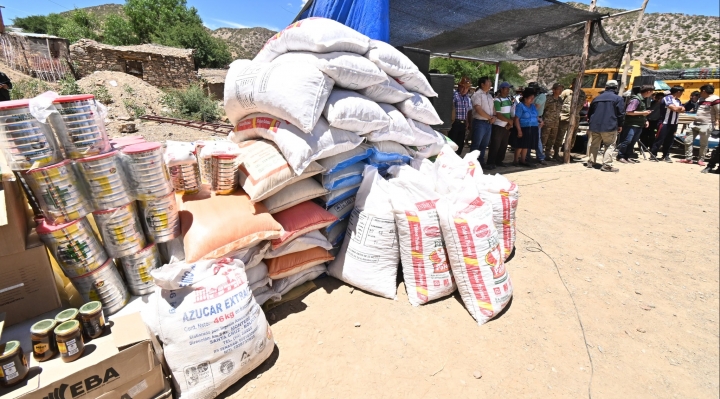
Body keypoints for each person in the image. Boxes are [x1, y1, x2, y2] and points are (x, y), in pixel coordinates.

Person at [586, 80, 625, 173]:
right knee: (609, 145)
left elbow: (590, 113)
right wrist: (620, 125)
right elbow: (621, 114)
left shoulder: (596, 98)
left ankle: (591, 162)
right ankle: (606, 165)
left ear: (606, 87)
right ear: (616, 88)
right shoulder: (618, 99)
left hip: (595, 126)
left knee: (594, 144)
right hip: (609, 126)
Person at [680, 84, 719, 165]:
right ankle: (688, 158)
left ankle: (701, 159)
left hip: (707, 124)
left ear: (704, 91)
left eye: (701, 91)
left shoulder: (715, 99)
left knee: (703, 143)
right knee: (687, 140)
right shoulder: (701, 99)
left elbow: (718, 112)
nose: (700, 93)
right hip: (695, 123)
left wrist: (717, 123)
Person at [616, 85, 655, 163]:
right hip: (631, 124)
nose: (652, 94)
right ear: (648, 92)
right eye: (652, 92)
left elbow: (641, 110)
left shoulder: (643, 99)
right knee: (627, 140)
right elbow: (629, 112)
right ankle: (620, 156)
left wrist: (645, 120)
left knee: (633, 141)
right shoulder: (636, 100)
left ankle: (627, 156)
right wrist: (643, 113)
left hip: (638, 124)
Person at [650, 86, 685, 162]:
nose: (681, 94)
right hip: (664, 123)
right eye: (681, 93)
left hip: (674, 123)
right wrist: (678, 108)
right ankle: (653, 155)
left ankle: (666, 155)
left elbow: (683, 109)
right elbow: (674, 109)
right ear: (678, 92)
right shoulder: (667, 98)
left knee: (670, 140)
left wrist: (677, 108)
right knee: (659, 139)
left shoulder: (678, 100)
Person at [510, 88, 542, 167]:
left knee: (526, 145)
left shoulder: (533, 106)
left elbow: (535, 115)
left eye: (533, 98)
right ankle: (515, 160)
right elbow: (517, 118)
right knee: (520, 145)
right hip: (524, 127)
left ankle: (523, 160)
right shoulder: (520, 106)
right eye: (530, 98)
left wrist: (540, 120)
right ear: (525, 98)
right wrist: (519, 130)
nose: (532, 100)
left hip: (533, 127)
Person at [486, 82, 515, 170]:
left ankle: (499, 161)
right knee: (495, 145)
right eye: (506, 89)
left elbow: (511, 112)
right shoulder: (497, 100)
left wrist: (510, 122)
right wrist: (509, 121)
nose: (508, 90)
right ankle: (491, 162)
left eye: (508, 89)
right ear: (501, 89)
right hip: (498, 125)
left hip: (506, 126)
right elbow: (498, 114)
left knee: (503, 145)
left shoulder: (509, 99)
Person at [557, 80, 587, 159]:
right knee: (560, 135)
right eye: (576, 83)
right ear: (572, 84)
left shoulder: (582, 94)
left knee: (572, 136)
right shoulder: (566, 92)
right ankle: (556, 152)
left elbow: (582, 105)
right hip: (564, 117)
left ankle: (567, 152)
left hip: (575, 118)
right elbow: (559, 102)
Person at [470, 76, 496, 165]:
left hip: (488, 123)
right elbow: (478, 109)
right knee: (476, 144)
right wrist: (490, 117)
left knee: (484, 145)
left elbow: (493, 108)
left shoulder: (489, 95)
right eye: (488, 82)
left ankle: (481, 162)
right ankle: (472, 163)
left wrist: (494, 116)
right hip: (479, 122)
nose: (490, 83)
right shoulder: (477, 95)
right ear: (482, 84)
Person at [449, 76, 473, 155]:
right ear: (459, 86)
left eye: (466, 88)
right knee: (452, 142)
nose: (464, 89)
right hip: (455, 123)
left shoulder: (467, 98)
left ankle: (457, 158)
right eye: (462, 87)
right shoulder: (454, 95)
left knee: (460, 143)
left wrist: (468, 122)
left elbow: (468, 111)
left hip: (463, 123)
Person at [526, 82, 547, 165]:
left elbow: (535, 106)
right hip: (528, 118)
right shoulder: (531, 95)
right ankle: (527, 156)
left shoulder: (541, 96)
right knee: (527, 138)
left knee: (537, 139)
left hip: (536, 118)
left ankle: (540, 157)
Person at [542, 83, 564, 161]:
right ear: (553, 90)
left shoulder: (560, 100)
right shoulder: (548, 99)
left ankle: (547, 154)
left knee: (552, 139)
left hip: (555, 123)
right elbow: (543, 110)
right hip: (547, 122)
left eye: (562, 89)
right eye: (559, 89)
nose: (561, 91)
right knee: (544, 139)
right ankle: (540, 155)